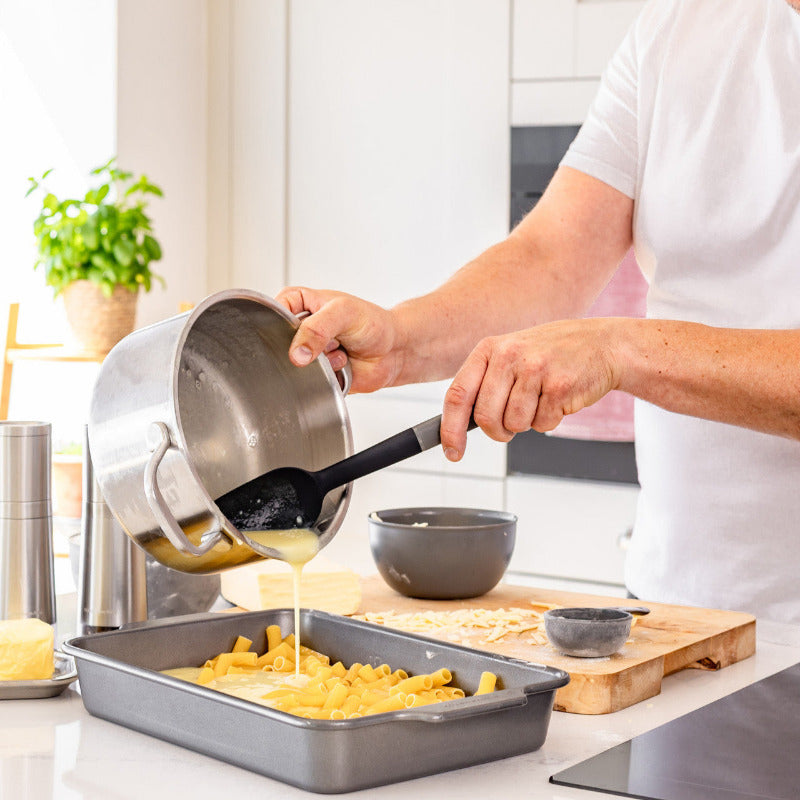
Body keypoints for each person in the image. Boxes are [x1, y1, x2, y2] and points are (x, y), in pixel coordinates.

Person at [276, 0, 800, 624]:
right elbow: (550, 255)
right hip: (680, 610)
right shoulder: (676, 31)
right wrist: (400, 341)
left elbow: (615, 340)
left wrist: (620, 350)